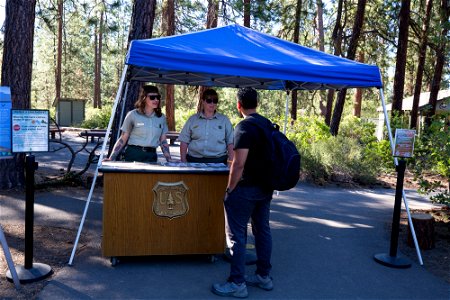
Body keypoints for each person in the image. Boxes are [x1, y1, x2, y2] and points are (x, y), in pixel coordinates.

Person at [212, 87, 274, 298]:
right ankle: (264, 276)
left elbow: (238, 165)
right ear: (256, 103)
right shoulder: (266, 124)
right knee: (262, 231)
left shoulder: (244, 127)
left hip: (245, 188)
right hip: (265, 188)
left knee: (237, 236)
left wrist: (230, 189)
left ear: (239, 105)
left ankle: (237, 283)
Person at [105, 85, 172, 163]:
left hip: (151, 156)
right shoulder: (132, 115)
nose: (156, 100)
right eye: (152, 97)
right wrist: (111, 158)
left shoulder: (161, 117)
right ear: (144, 98)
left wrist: (169, 159)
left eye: (158, 97)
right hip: (134, 154)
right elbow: (123, 138)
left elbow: (163, 141)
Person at [178, 89, 234, 164]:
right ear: (203, 101)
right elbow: (184, 141)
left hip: (219, 161)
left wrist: (231, 162)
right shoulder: (192, 120)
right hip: (194, 161)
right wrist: (183, 160)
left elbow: (231, 143)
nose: (212, 103)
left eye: (215, 100)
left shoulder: (224, 120)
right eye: (209, 100)